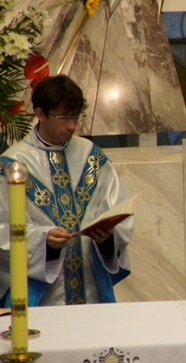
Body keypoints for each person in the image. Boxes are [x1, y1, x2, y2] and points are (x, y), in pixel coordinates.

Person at [0, 75, 133, 306]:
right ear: (40, 114)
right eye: (63, 118)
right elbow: (3, 230)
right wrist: (44, 241)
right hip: (42, 296)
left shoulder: (91, 156)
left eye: (75, 117)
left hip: (91, 289)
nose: (72, 126)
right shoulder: (12, 165)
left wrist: (107, 237)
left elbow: (117, 210)